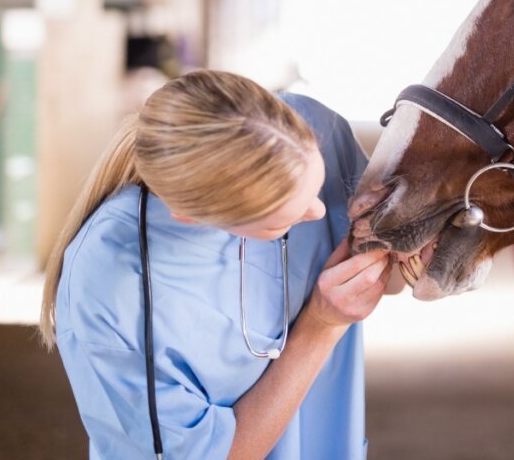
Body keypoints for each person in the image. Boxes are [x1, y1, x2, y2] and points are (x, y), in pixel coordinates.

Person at [39, 69, 393, 459]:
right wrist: (321, 327)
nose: (321, 211)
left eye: (318, 184)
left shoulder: (313, 126)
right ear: (193, 216)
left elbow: (394, 272)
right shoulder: (113, 284)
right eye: (282, 221)